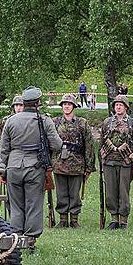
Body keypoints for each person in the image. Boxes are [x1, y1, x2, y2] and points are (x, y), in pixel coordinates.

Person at [0, 87, 63, 248]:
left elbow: (4, 149)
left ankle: (16, 235)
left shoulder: (11, 121)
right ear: (38, 102)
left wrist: (3, 169)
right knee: (34, 203)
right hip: (35, 166)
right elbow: (57, 144)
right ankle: (30, 238)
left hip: (13, 165)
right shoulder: (44, 120)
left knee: (15, 203)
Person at [99, 94, 133, 229]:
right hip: (109, 161)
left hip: (125, 161)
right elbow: (101, 142)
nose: (118, 107)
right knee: (111, 191)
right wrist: (101, 160)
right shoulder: (107, 122)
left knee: (124, 191)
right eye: (116, 105)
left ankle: (123, 219)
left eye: (121, 105)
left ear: (126, 107)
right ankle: (113, 218)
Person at [52, 94, 94, 228]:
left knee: (75, 194)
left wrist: (89, 166)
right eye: (64, 104)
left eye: (69, 104)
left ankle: (74, 220)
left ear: (74, 106)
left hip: (77, 164)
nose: (66, 106)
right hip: (59, 164)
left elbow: (89, 145)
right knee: (61, 193)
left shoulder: (82, 123)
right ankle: (63, 219)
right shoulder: (55, 122)